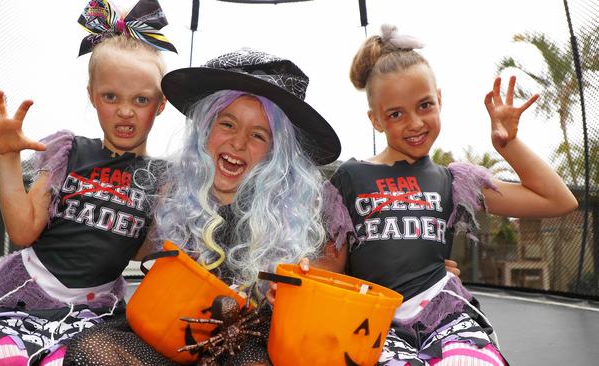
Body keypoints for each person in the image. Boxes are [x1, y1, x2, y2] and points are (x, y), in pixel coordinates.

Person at [64, 47, 344, 366]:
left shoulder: (292, 213)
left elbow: (321, 287)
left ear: (275, 154)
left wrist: (293, 293)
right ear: (205, 129)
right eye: (227, 124)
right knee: (92, 350)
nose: (238, 143)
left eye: (258, 135)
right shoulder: (170, 187)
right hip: (169, 330)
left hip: (247, 342)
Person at [325, 24, 578, 365]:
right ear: (376, 120)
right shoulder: (350, 178)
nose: (415, 122)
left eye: (425, 105)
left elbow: (559, 201)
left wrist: (509, 145)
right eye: (396, 114)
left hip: (443, 318)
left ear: (440, 100)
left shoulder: (452, 181)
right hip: (374, 323)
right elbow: (332, 271)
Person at [0, 1, 177, 364]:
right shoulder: (68, 151)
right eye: (110, 96)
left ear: (161, 104)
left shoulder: (161, 177)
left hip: (93, 314)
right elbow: (24, 232)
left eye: (141, 99)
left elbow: (141, 251)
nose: (125, 110)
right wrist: (7, 158)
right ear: (92, 96)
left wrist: (175, 212)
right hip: (26, 298)